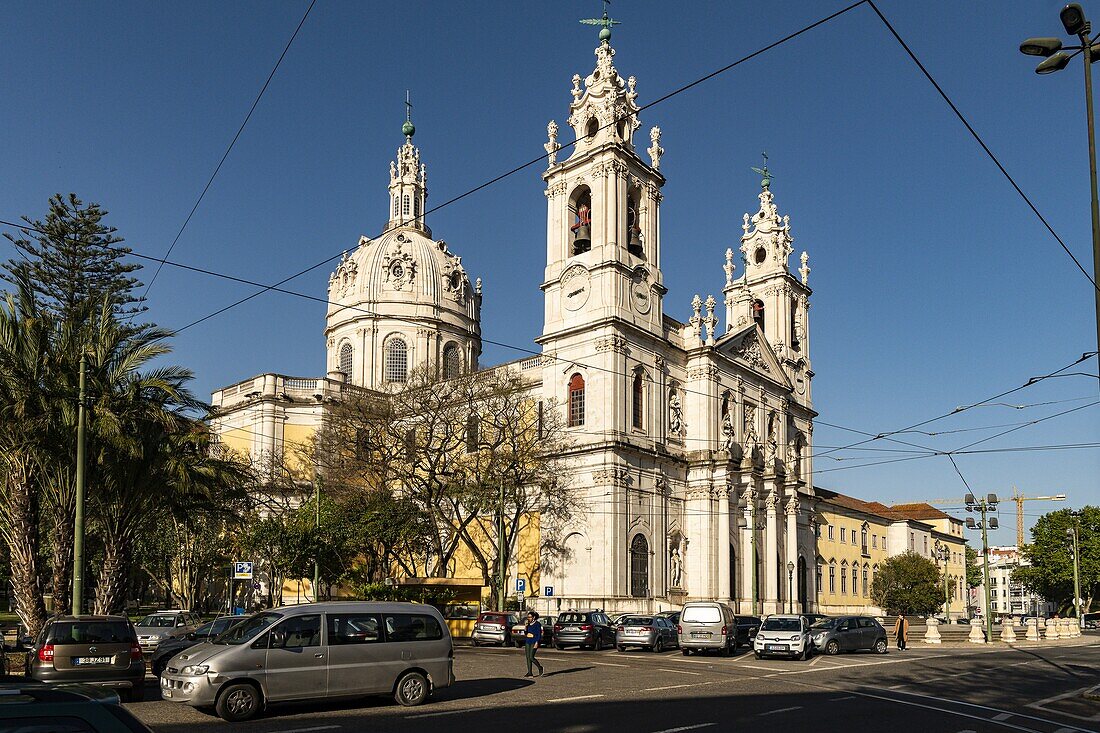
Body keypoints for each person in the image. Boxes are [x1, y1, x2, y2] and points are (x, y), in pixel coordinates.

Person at [522, 611, 544, 678]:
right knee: (528, 658)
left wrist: (537, 642)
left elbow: (539, 634)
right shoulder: (528, 624)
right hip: (528, 641)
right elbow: (526, 633)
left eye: (530, 617)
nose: (528, 618)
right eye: (528, 617)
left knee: (531, 657)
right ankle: (529, 672)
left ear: (534, 617)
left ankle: (540, 668)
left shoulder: (537, 624)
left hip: (534, 641)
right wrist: (525, 627)